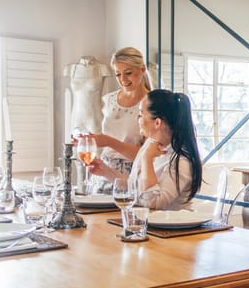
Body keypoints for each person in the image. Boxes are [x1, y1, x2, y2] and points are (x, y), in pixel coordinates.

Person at [89, 89, 203, 210]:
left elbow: (152, 202)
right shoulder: (150, 145)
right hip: (148, 224)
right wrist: (105, 171)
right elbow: (135, 187)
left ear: (157, 123)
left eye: (141, 114)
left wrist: (147, 159)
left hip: (171, 227)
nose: (137, 118)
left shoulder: (181, 160)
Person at [87, 47, 152, 194]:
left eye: (128, 73)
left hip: (132, 174)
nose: (123, 79)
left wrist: (108, 141)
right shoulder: (109, 100)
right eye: (118, 74)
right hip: (104, 171)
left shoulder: (151, 104)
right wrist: (92, 140)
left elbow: (147, 155)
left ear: (142, 69)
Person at [64, 56, 112, 134]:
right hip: (76, 117)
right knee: (74, 145)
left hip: (95, 117)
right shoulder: (70, 69)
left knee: (97, 145)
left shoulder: (102, 68)